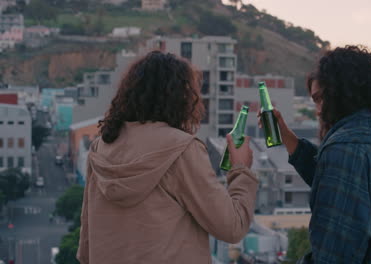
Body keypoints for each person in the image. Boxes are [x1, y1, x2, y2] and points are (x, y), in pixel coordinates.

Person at [77, 51, 258, 264]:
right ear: (182, 97)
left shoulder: (101, 146)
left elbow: (86, 248)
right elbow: (232, 227)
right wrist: (240, 170)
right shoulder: (182, 150)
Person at [262, 46, 371, 263]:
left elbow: (334, 252)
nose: (318, 111)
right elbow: (340, 180)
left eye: (320, 98)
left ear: (341, 91)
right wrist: (288, 138)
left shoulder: (344, 147)